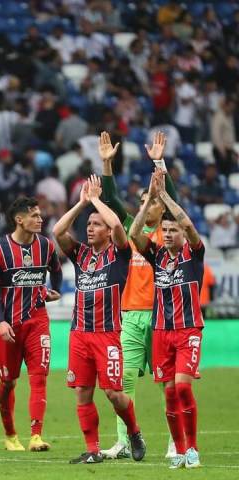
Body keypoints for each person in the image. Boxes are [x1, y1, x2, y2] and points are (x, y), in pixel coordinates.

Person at [52, 175, 146, 465]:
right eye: (89, 224)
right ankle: (92, 450)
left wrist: (95, 199)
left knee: (113, 393)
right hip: (79, 333)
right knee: (82, 392)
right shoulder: (81, 254)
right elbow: (57, 230)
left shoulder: (119, 255)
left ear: (107, 231)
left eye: (96, 224)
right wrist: (81, 204)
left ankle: (134, 432)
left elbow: (118, 225)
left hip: (107, 335)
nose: (90, 228)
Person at [98, 131, 179, 459]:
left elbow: (173, 198)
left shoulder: (168, 233)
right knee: (123, 380)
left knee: (167, 383)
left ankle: (175, 441)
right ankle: (125, 441)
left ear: (164, 207)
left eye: (156, 201)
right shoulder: (132, 229)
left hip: (162, 318)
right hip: (130, 316)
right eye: (147, 200)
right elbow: (112, 200)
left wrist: (159, 163)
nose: (150, 204)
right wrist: (107, 164)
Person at [129, 170, 205, 469]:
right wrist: (150, 198)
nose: (171, 233)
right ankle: (180, 450)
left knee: (183, 388)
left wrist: (164, 196)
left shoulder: (194, 255)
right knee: (171, 393)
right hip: (161, 331)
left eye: (175, 230)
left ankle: (193, 448)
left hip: (188, 330)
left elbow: (188, 224)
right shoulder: (157, 255)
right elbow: (134, 234)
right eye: (167, 230)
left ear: (183, 234)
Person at [0, 197, 63, 452]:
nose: (40, 219)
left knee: (39, 378)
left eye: (40, 215)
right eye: (34, 216)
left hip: (37, 321)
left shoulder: (46, 246)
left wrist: (54, 290)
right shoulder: (0, 249)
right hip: (10, 325)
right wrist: (1, 322)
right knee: (7, 383)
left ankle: (36, 436)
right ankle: (10, 435)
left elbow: (56, 270)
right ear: (19, 220)